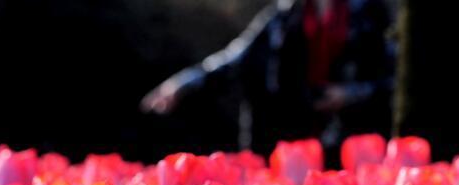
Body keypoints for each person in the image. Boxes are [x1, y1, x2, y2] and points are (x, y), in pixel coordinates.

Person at [141, 0, 394, 156]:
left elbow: (397, 78)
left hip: (353, 141)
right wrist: (182, 84)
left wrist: (351, 94)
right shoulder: (283, 17)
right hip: (294, 139)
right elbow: (237, 57)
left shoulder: (369, 13)